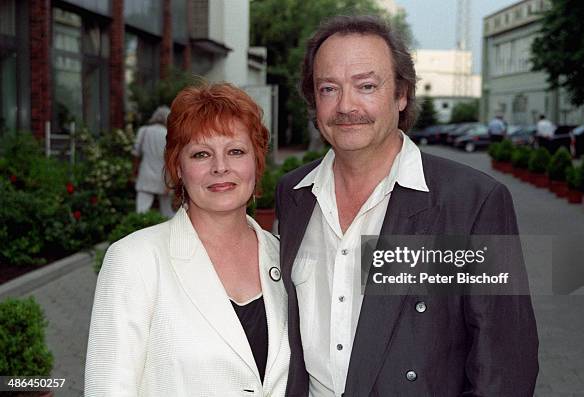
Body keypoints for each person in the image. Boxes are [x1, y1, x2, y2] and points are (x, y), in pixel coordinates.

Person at [275, 15, 539, 396]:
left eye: (366, 85)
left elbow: (504, 366)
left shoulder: (471, 202)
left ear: (401, 94)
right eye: (328, 88)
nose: (346, 105)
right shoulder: (294, 194)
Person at [85, 82, 290, 396]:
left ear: (256, 162)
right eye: (201, 154)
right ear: (178, 167)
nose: (220, 167)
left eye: (235, 151)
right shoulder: (134, 261)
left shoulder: (285, 256)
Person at [132, 105, 174, 217]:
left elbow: (136, 154)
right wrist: (170, 181)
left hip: (145, 176)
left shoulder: (144, 131)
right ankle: (173, 233)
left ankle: (140, 231)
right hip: (163, 178)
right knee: (167, 213)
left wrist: (134, 172)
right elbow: (170, 159)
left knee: (141, 211)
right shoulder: (169, 135)